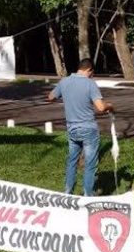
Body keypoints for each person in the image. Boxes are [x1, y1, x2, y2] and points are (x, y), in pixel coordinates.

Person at [47, 58, 114, 196]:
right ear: (89, 70)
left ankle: (68, 191)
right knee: (90, 165)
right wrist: (110, 106)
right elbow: (101, 107)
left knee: (72, 161)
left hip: (72, 129)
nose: (92, 76)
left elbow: (51, 97)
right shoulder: (90, 84)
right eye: (92, 73)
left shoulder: (64, 81)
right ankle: (88, 196)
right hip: (88, 129)